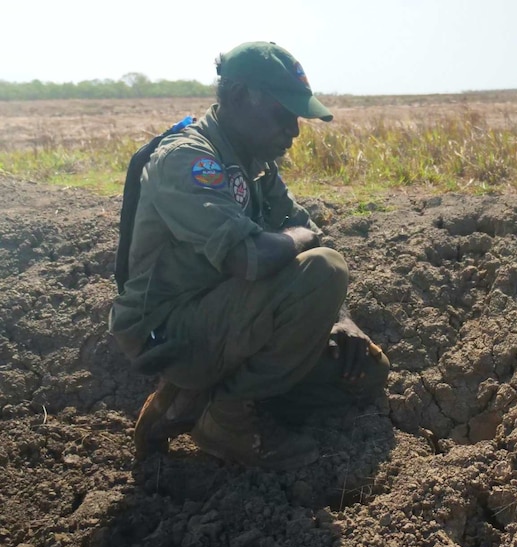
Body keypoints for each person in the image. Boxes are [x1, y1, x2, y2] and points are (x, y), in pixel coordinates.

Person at [109, 41, 390, 470]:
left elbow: (305, 236)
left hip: (230, 318)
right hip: (166, 331)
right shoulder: (188, 159)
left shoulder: (256, 164)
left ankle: (192, 398)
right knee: (326, 269)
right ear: (239, 96)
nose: (294, 130)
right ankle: (223, 418)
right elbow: (255, 258)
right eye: (283, 114)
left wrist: (340, 317)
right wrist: (297, 236)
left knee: (365, 372)